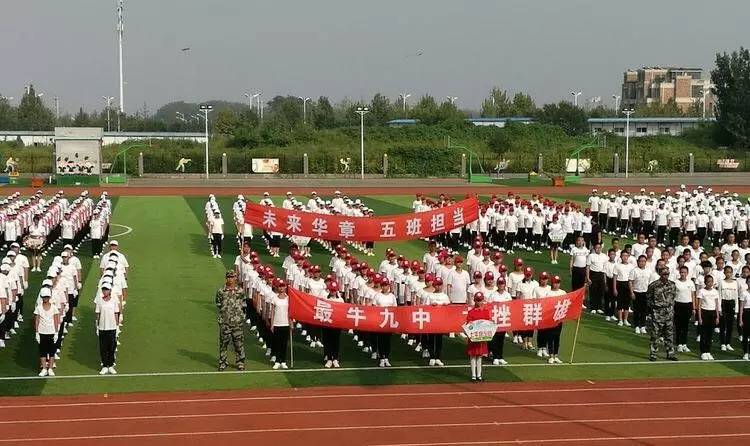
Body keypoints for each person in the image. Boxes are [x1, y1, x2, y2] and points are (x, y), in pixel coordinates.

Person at [645, 267, 678, 361]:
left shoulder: (672, 285)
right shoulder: (654, 285)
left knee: (669, 334)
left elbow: (673, 296)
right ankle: (653, 354)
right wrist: (654, 307)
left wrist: (670, 307)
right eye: (664, 274)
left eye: (667, 274)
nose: (666, 276)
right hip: (657, 313)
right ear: (660, 274)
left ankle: (670, 353)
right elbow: (648, 297)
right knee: (655, 335)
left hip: (668, 312)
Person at [216, 270, 246, 371]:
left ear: (235, 278)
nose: (230, 279)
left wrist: (239, 315)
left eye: (232, 277)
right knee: (223, 344)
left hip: (237, 322)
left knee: (238, 343)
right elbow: (218, 303)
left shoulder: (240, 291)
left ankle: (240, 362)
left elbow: (244, 304)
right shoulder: (221, 291)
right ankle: (223, 362)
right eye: (228, 277)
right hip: (225, 322)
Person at [95, 283, 120, 375]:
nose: (105, 291)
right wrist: (97, 326)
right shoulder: (99, 301)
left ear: (110, 291)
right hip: (102, 327)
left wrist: (117, 326)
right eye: (103, 290)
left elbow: (116, 313)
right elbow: (98, 314)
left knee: (112, 347)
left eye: (106, 290)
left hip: (112, 327)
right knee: (103, 348)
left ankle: (111, 365)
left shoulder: (114, 301)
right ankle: (105, 366)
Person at [34, 288, 60, 377]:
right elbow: (37, 320)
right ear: (42, 297)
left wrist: (56, 332)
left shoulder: (54, 308)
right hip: (42, 332)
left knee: (52, 352)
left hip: (51, 332)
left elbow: (56, 320)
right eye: (44, 297)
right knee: (43, 351)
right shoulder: (38, 308)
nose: (46, 298)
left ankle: (50, 368)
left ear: (49, 297)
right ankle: (44, 368)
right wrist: (37, 332)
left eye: (47, 297)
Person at [466, 292, 490, 382]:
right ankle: (473, 375)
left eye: (480, 300)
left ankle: (479, 375)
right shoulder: (471, 312)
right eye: (477, 300)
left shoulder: (485, 311)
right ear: (474, 300)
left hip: (481, 337)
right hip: (474, 337)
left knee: (480, 356)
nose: (479, 302)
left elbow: (488, 323)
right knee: (473, 355)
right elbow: (469, 324)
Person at [673, 265, 697, 353]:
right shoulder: (675, 282)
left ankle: (684, 344)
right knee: (678, 325)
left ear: (687, 273)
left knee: (685, 326)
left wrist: (694, 308)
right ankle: (679, 344)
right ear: (679, 273)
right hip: (678, 304)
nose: (683, 274)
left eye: (684, 272)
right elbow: (672, 295)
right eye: (681, 272)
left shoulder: (690, 283)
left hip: (688, 305)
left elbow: (693, 295)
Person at [697, 275, 720, 361]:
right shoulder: (701, 291)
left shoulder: (715, 292)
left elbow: (717, 305)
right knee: (704, 334)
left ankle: (708, 351)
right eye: (708, 281)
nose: (710, 283)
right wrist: (699, 317)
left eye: (711, 281)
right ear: (705, 282)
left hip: (712, 313)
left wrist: (717, 316)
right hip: (704, 312)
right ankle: (703, 352)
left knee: (710, 334)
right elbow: (699, 305)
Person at [375, 278, 398, 367]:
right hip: (381, 321)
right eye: (383, 285)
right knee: (381, 340)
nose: (384, 287)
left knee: (387, 340)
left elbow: (395, 308)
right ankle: (381, 358)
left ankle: (386, 358)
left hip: (389, 321)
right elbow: (374, 307)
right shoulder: (377, 296)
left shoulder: (392, 296)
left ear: (388, 286)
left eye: (386, 285)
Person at [717, 266, 739, 352]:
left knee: (730, 325)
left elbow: (736, 296)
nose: (728, 274)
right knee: (723, 325)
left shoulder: (735, 283)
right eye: (727, 272)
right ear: (724, 273)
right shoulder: (721, 282)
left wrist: (736, 309)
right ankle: (723, 343)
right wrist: (719, 308)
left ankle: (728, 343)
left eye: (730, 272)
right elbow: (719, 296)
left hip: (732, 304)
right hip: (723, 303)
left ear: (732, 273)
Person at [323, 281, 344, 368]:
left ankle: (335, 358)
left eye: (334, 290)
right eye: (332, 290)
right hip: (327, 324)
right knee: (327, 341)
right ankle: (329, 359)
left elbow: (343, 312)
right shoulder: (325, 299)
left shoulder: (340, 300)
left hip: (336, 325)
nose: (333, 292)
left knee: (336, 341)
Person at [270, 279, 290, 370]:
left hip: (285, 323)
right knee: (277, 343)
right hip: (277, 323)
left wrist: (291, 323)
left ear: (285, 287)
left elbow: (290, 312)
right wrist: (272, 324)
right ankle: (278, 361)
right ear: (277, 287)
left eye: (283, 286)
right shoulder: (274, 298)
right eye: (280, 286)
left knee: (284, 343)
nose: (281, 288)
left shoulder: (288, 298)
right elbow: (272, 312)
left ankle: (283, 361)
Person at [546, 276, 567, 364]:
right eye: (555, 282)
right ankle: (551, 355)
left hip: (559, 318)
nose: (557, 284)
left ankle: (556, 355)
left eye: (558, 282)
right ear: (552, 283)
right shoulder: (549, 293)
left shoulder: (563, 292)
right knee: (551, 337)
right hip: (551, 318)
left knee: (557, 337)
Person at [739, 276, 750, 360]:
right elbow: (741, 307)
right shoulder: (744, 293)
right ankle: (746, 353)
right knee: (745, 335)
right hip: (746, 313)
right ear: (747, 282)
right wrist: (740, 319)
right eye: (749, 281)